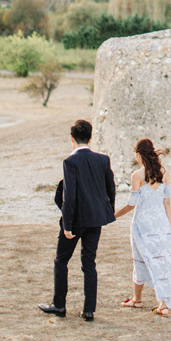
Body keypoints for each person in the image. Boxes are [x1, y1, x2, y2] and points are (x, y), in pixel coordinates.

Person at [39, 119, 116, 322]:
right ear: (91, 138)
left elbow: (69, 196)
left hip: (76, 221)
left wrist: (67, 224)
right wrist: (108, 212)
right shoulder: (103, 160)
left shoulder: (70, 162)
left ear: (71, 139)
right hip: (96, 220)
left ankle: (59, 305)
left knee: (61, 260)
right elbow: (111, 188)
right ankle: (89, 310)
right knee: (89, 263)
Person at [114, 138, 171, 317]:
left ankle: (137, 299)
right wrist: (168, 225)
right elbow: (167, 202)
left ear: (139, 154)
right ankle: (162, 304)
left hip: (142, 224)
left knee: (139, 260)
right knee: (162, 261)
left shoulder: (137, 175)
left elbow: (132, 204)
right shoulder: (164, 172)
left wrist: (114, 216)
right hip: (161, 223)